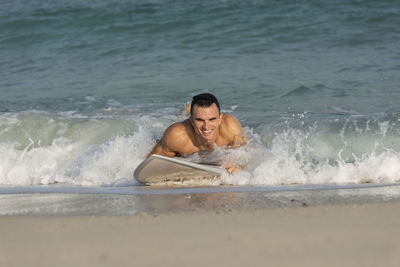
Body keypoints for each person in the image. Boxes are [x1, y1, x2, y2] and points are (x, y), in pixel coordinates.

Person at [148, 93, 247, 174]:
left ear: (220, 118)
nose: (206, 126)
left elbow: (248, 153)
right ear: (191, 121)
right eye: (200, 120)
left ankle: (192, 111)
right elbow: (150, 164)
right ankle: (186, 111)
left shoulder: (231, 129)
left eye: (212, 119)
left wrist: (238, 165)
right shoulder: (176, 136)